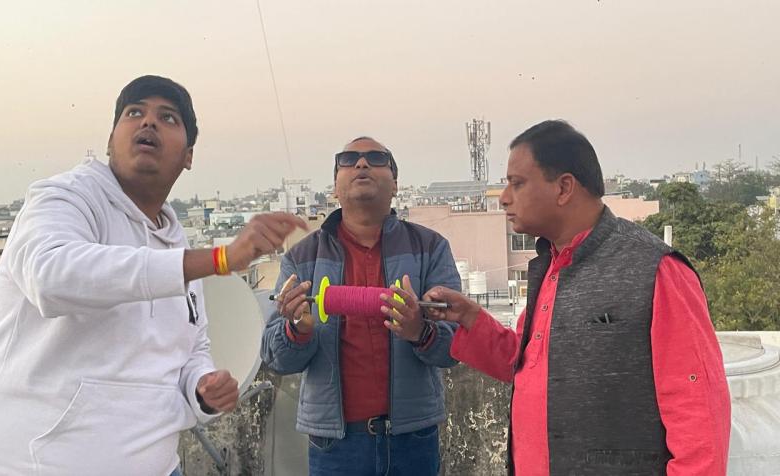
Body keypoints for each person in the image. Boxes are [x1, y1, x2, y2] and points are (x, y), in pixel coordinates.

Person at [0, 75, 306, 475]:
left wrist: (202, 387)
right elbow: (51, 277)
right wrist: (220, 258)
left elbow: (192, 346)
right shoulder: (62, 198)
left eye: (167, 118)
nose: (148, 122)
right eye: (135, 112)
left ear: (188, 156)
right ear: (110, 140)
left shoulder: (175, 241)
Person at [424, 120, 731, 475]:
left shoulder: (654, 269)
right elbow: (524, 363)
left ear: (564, 187)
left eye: (517, 183)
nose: (504, 197)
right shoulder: (550, 267)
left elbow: (698, 414)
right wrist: (470, 317)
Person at [261, 137, 461, 476]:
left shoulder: (430, 248)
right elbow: (276, 359)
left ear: (395, 184)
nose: (362, 163)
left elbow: (454, 347)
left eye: (376, 158)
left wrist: (420, 331)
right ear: (335, 186)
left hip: (413, 439)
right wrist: (298, 330)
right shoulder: (302, 257)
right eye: (349, 158)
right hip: (335, 446)